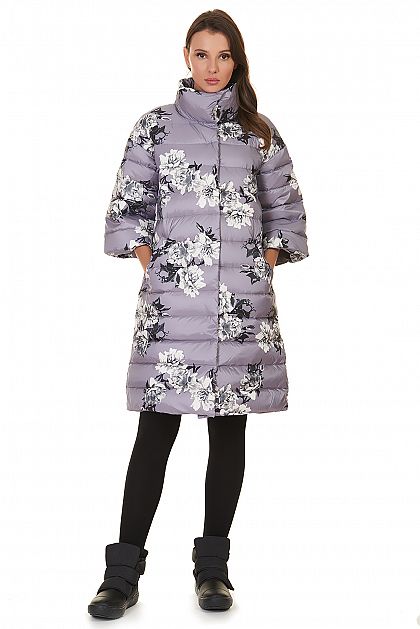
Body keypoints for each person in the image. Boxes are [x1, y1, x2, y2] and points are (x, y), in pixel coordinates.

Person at [88, 8, 309, 619]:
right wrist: (156, 267)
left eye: (224, 55)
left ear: (237, 61)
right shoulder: (154, 127)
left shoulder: (259, 133)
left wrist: (256, 268)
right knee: (154, 436)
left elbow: (286, 213)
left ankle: (213, 572)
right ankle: (120, 576)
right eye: (202, 54)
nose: (213, 67)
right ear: (186, 56)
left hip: (240, 313)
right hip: (173, 313)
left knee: (228, 434)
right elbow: (127, 209)